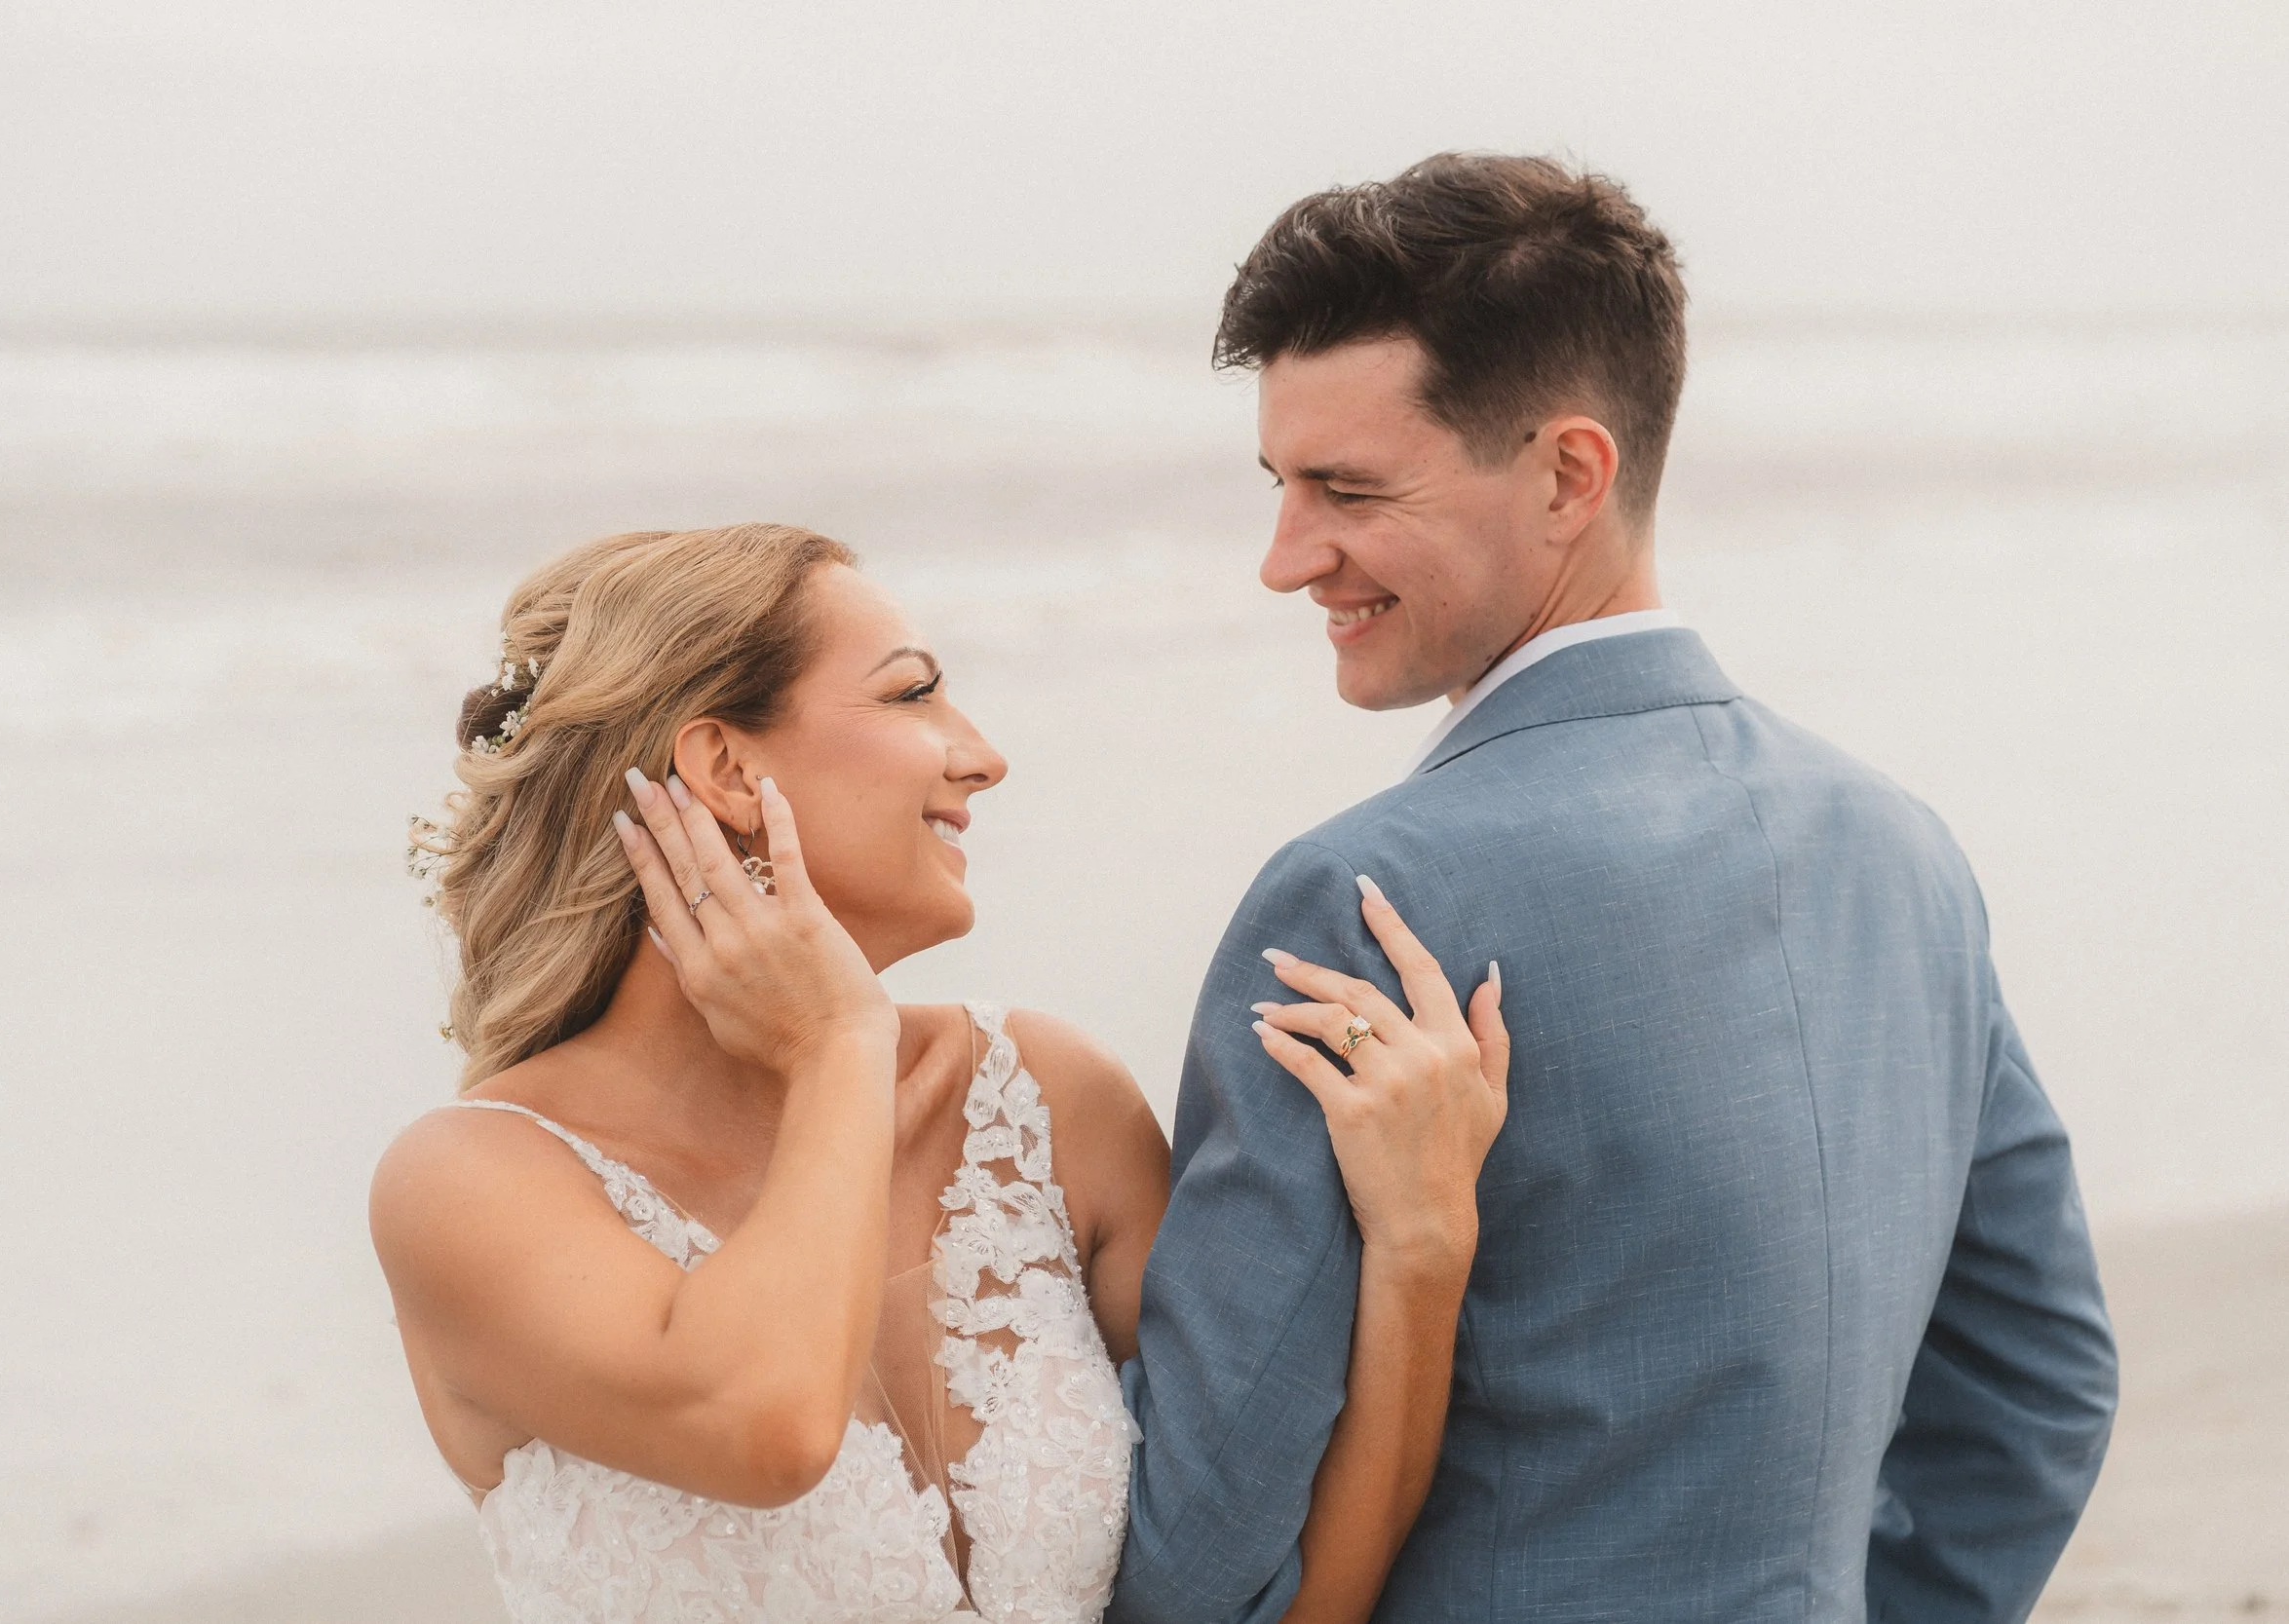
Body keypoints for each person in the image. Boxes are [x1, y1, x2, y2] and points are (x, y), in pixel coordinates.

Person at [1107, 154, 2120, 1624]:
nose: (1284, 559)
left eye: (1346, 489)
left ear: (1570, 472)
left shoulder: (1362, 901)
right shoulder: (1903, 852)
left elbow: (1200, 1552)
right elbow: (2040, 1387)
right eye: (1278, 485)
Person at [369, 523, 1512, 1624]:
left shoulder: (1045, 1099)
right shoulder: (470, 1182)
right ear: (722, 764)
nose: (984, 753)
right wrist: (838, 1045)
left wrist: (1421, 1243)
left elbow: (1291, 1598)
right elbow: (767, 1424)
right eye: (913, 693)